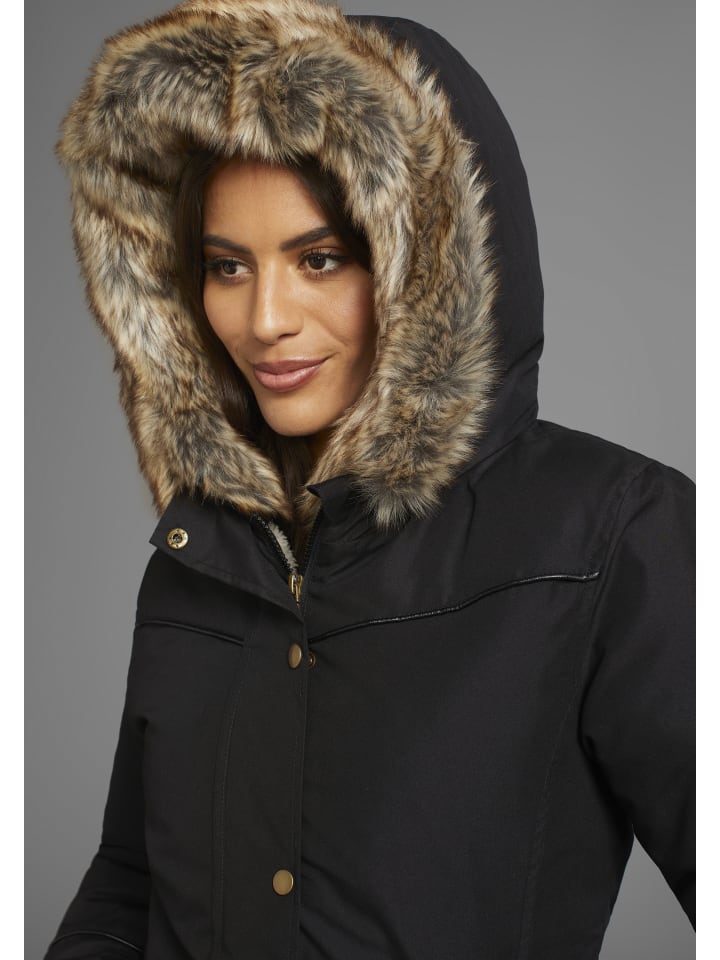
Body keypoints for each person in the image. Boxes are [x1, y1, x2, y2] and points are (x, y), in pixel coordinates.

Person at [45, 0, 695, 957]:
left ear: (428, 267)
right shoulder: (196, 552)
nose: (265, 319)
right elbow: (130, 879)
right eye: (227, 266)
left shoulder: (610, 535)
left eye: (320, 260)